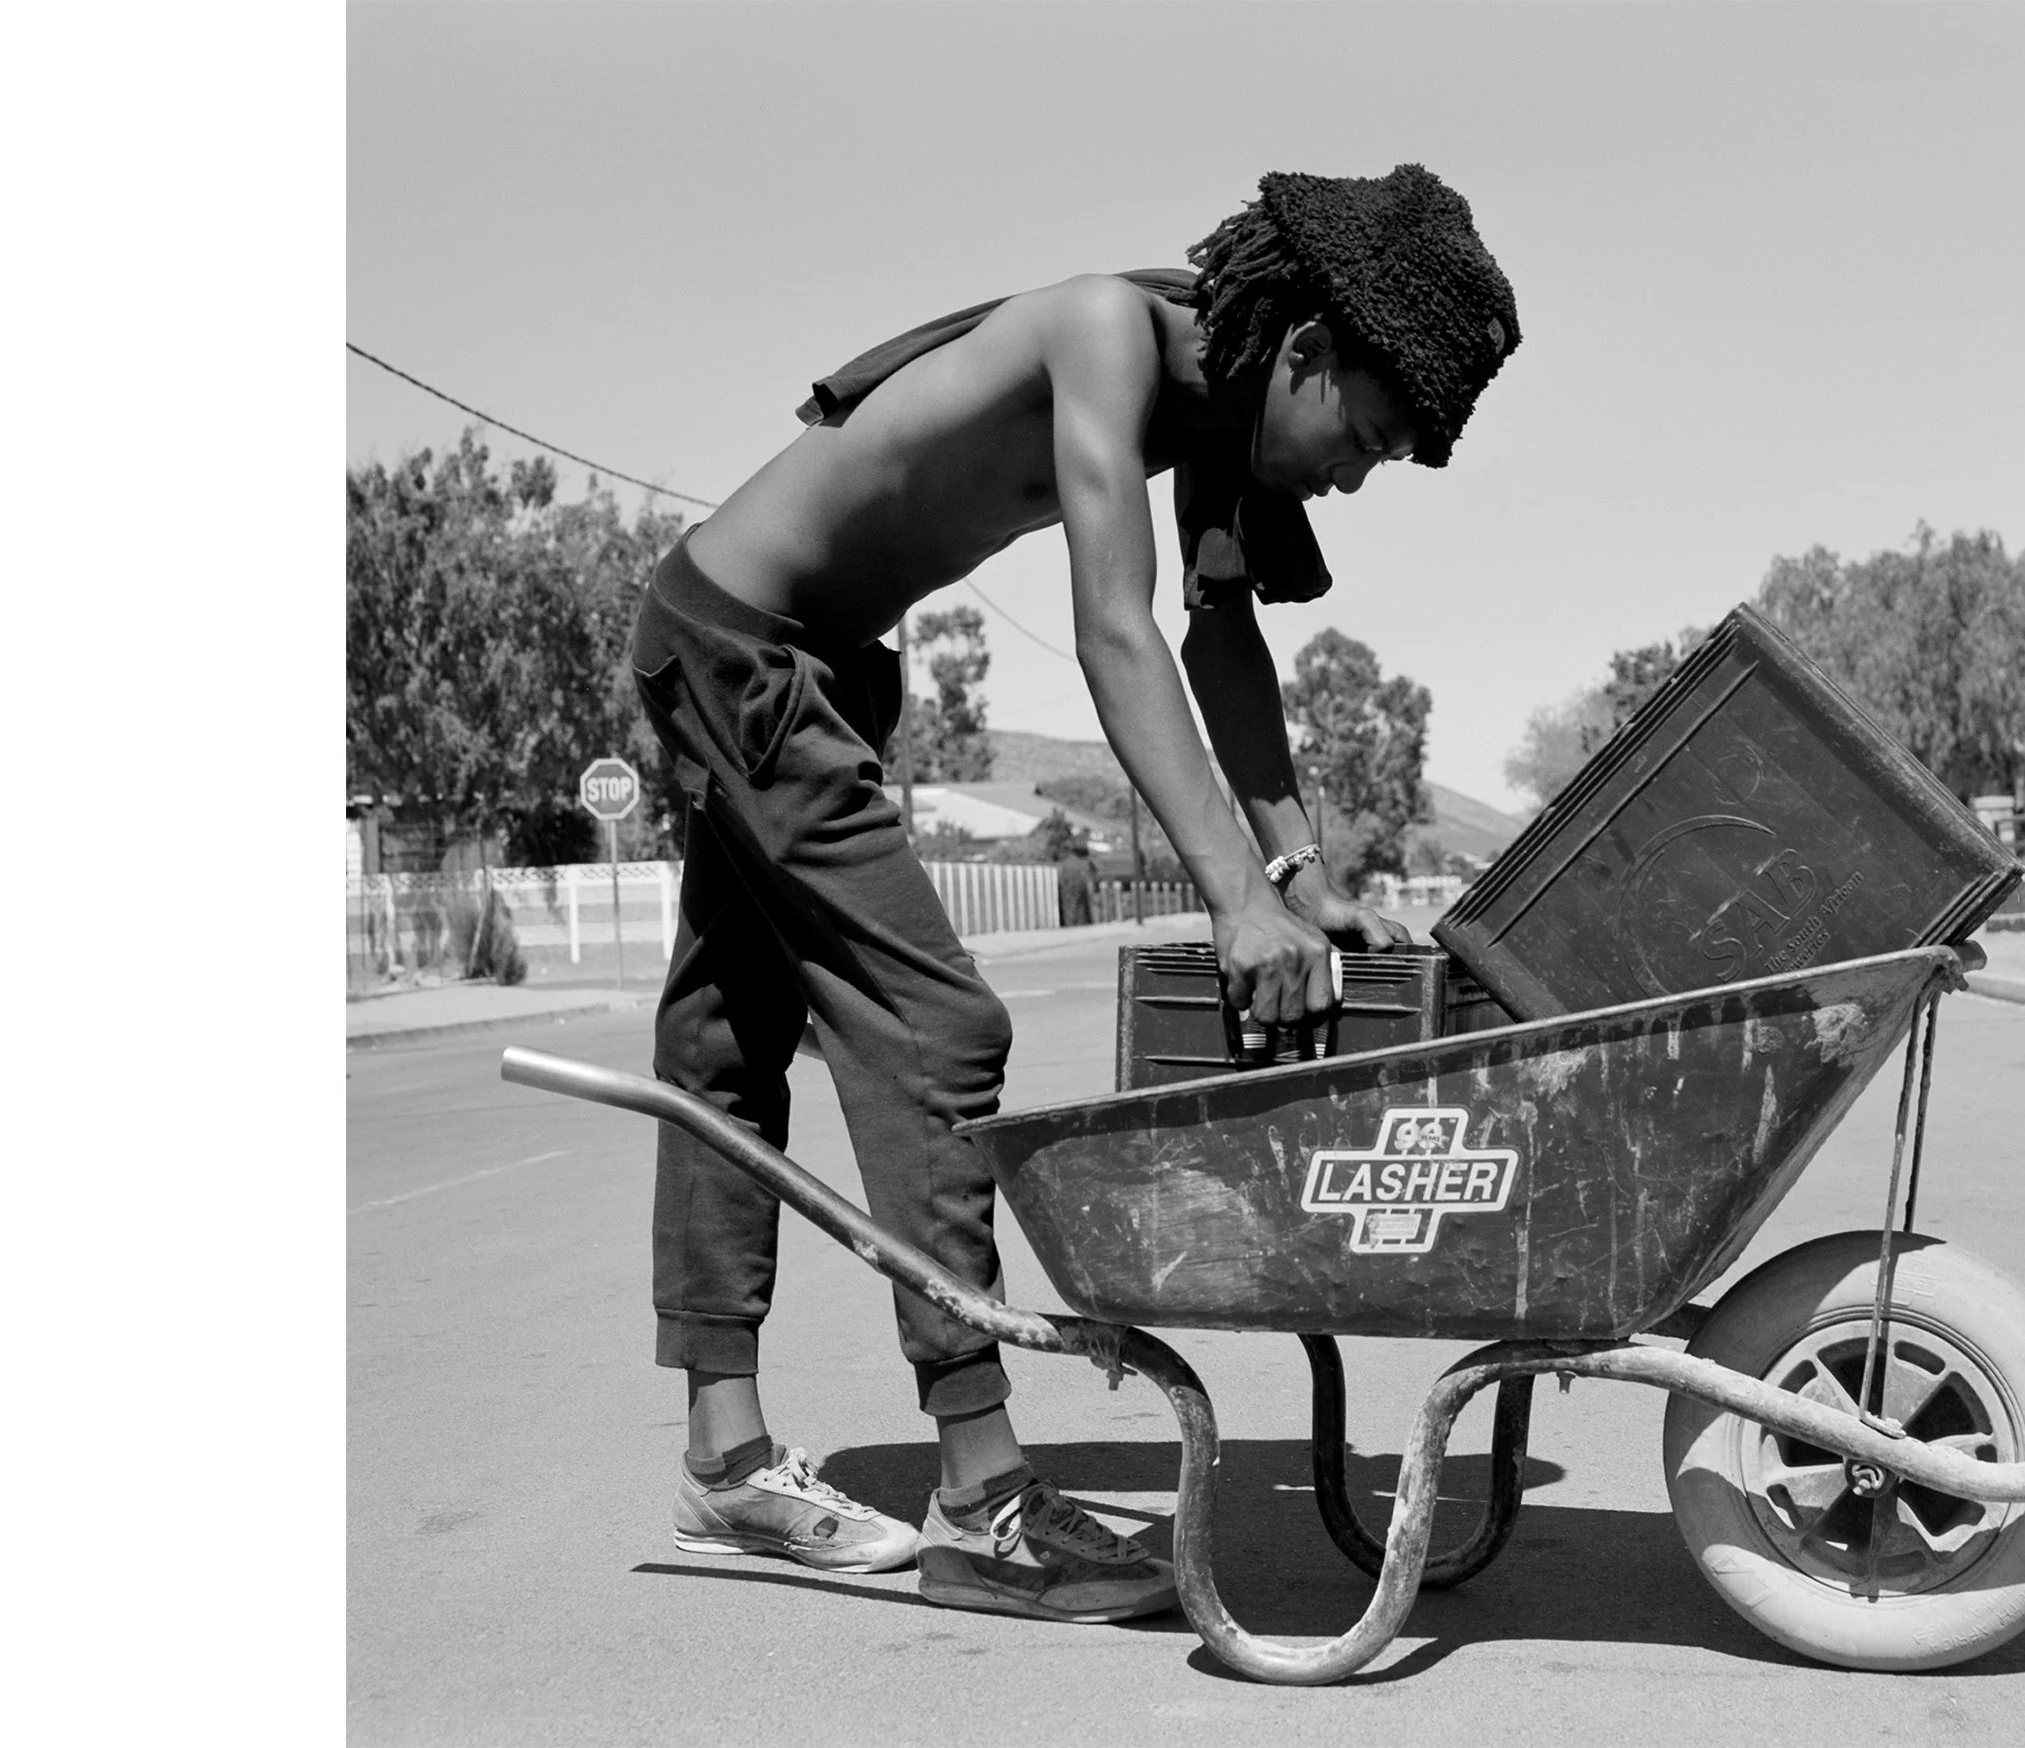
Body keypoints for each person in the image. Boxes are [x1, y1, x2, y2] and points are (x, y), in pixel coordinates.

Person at [628, 164, 1520, 1623]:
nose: (1353, 477)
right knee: (933, 1028)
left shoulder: (1225, 400)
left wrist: (1302, 879)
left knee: (725, 1046)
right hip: (744, 647)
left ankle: (725, 1465)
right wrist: (1234, 900)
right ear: (1303, 349)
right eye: (1361, 438)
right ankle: (984, 1502)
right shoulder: (1109, 333)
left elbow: (1222, 642)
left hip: (822, 664)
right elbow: (1115, 631)